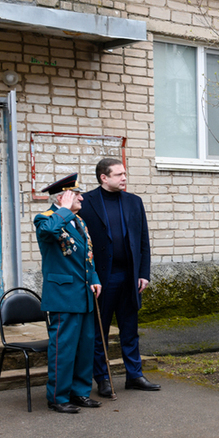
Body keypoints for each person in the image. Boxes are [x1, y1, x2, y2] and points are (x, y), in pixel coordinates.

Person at [78, 158, 156, 396]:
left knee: (130, 328)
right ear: (104, 177)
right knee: (99, 331)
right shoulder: (86, 202)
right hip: (102, 279)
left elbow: (143, 240)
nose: (124, 178)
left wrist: (143, 273)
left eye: (125, 174)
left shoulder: (134, 201)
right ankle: (102, 378)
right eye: (119, 174)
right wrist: (90, 277)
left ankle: (134, 375)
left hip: (130, 277)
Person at [33, 173, 103, 414]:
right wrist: (63, 209)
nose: (82, 198)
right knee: (63, 349)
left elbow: (88, 256)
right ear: (63, 197)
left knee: (85, 348)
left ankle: (80, 393)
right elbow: (49, 232)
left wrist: (94, 278)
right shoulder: (46, 219)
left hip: (84, 295)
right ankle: (57, 397)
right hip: (63, 296)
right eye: (77, 194)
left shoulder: (79, 221)